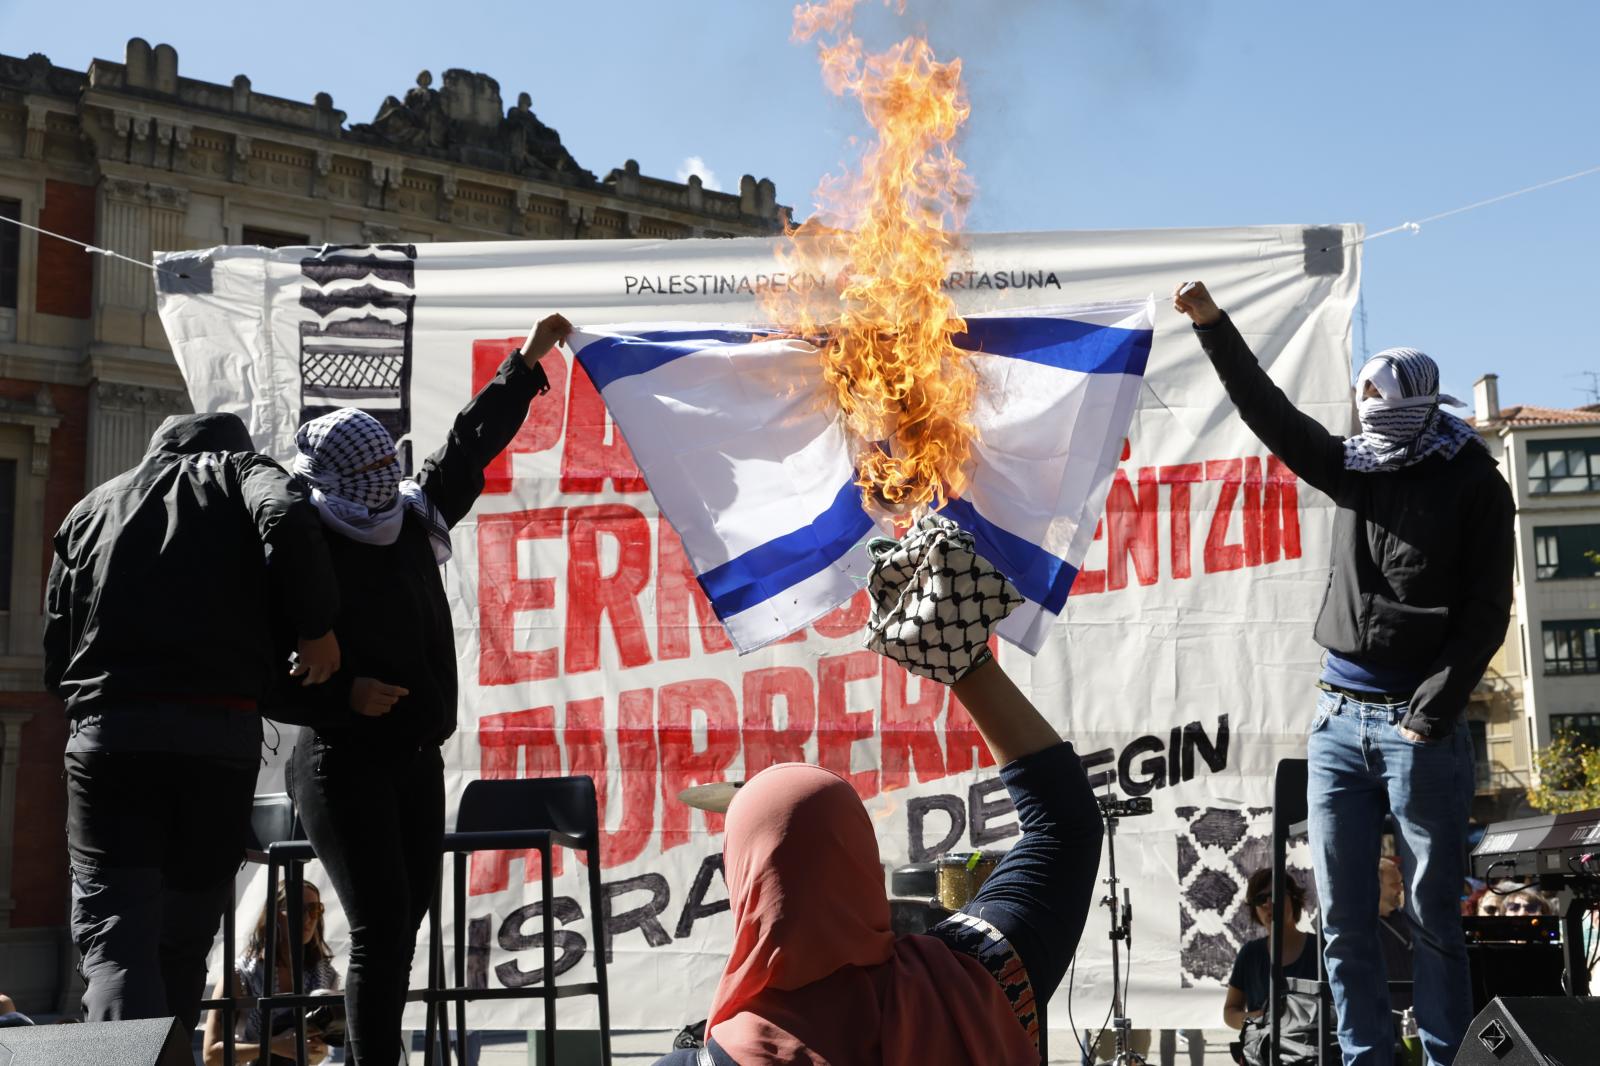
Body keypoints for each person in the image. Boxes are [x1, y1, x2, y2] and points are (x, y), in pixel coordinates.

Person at [1174, 282, 1514, 1066]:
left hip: (1417, 730)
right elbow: (1271, 413)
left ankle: (1441, 1055)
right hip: (1336, 722)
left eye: (1378, 398)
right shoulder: (1355, 464)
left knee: (1431, 914)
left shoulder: (1474, 484)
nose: (1365, 411)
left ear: (1420, 407)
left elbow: (1487, 612)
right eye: (1360, 397)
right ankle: (1364, 1057)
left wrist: (1430, 711)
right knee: (1343, 918)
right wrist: (1212, 326)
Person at [652, 514, 1104, 1065]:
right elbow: (1066, 825)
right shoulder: (974, 980)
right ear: (863, 863)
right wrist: (966, 664)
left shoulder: (704, 1059)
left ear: (743, 885)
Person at [268, 314, 570, 1066]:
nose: (381, 490)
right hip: (341, 760)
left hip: (412, 758)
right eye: (365, 478)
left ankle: (371, 1053)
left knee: (406, 923)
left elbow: (468, 446)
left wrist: (527, 360)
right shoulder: (299, 542)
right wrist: (344, 700)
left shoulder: (408, 516)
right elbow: (256, 668)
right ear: (331, 480)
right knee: (380, 925)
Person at [44, 413, 341, 1030]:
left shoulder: (92, 507)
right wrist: (315, 628)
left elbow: (58, 654)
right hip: (217, 744)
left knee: (117, 944)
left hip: (110, 737)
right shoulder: (241, 473)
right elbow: (286, 514)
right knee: (181, 944)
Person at [202, 881, 340, 1066]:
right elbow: (211, 1056)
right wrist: (273, 1046)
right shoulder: (240, 976)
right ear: (273, 914)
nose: (307, 918)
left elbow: (322, 1048)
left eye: (315, 909)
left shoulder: (325, 976)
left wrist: (318, 1052)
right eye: (296, 908)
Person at [1224, 870, 1318, 1031]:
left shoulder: (1320, 949)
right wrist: (1258, 1018)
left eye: (1276, 895)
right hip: (1264, 1051)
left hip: (1315, 1052)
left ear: (1293, 899)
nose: (1268, 904)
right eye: (1260, 899)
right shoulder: (1250, 954)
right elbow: (1230, 1011)